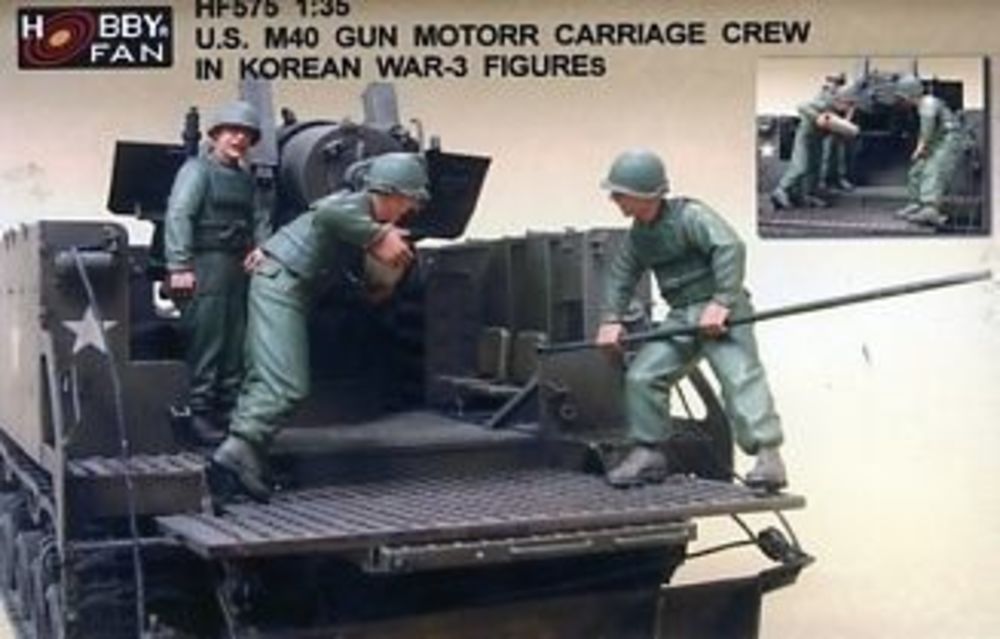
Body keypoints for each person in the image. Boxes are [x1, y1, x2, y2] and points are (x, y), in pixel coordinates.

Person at [208, 152, 428, 502]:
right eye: (408, 200)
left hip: (286, 285)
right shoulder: (354, 206)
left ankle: (248, 459)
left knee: (266, 378)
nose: (410, 209)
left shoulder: (358, 213)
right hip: (282, 287)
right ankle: (236, 453)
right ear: (389, 192)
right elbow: (325, 212)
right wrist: (376, 237)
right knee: (287, 384)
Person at [597, 149, 787, 491]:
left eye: (620, 193)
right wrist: (611, 319)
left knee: (740, 377)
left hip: (723, 312)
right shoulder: (639, 235)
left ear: (645, 194)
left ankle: (768, 457)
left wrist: (722, 301)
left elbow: (729, 247)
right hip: (682, 316)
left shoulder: (692, 217)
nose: (615, 200)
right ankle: (648, 453)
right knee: (643, 375)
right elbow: (621, 276)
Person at [165, 100, 271, 446]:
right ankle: (200, 412)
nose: (239, 139)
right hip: (205, 264)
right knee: (207, 340)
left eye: (246, 134)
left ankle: (227, 410)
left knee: (235, 342)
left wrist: (263, 247)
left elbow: (259, 217)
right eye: (232, 131)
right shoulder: (197, 171)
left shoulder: (245, 179)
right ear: (215, 136)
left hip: (237, 267)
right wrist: (179, 265)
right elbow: (180, 215)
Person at [771, 82, 856, 210]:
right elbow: (801, 106)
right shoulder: (824, 103)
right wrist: (817, 117)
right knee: (801, 166)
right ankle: (781, 190)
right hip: (806, 138)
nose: (847, 107)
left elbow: (842, 126)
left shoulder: (838, 111)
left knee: (814, 168)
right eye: (847, 104)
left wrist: (848, 118)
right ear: (840, 100)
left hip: (818, 139)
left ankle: (809, 195)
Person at [892, 74, 963, 228]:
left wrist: (920, 149)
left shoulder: (928, 103)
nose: (901, 101)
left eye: (902, 97)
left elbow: (927, 131)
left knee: (933, 169)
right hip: (937, 139)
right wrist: (922, 151)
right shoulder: (920, 106)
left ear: (910, 94)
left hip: (948, 140)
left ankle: (931, 209)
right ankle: (916, 203)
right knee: (917, 169)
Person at [819, 73, 856, 192]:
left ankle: (841, 179)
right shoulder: (823, 94)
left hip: (838, 127)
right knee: (826, 155)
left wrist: (846, 121)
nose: (835, 84)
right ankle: (822, 181)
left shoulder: (842, 94)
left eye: (838, 82)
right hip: (826, 127)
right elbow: (820, 109)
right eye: (833, 81)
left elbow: (851, 106)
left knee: (840, 155)